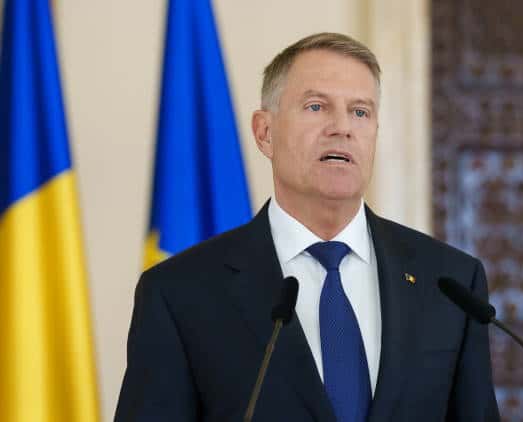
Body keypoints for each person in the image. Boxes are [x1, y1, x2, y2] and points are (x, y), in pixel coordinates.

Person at [114, 32, 500, 422]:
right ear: (265, 132)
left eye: (360, 112)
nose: (342, 127)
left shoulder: (451, 283)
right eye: (316, 107)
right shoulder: (179, 293)